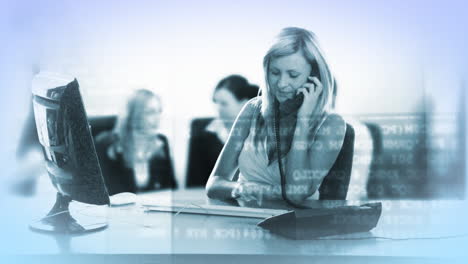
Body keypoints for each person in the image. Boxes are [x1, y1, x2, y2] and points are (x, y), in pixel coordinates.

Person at [206, 27, 348, 208]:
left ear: (314, 77)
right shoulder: (253, 109)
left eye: (293, 75)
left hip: (293, 228)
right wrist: (246, 189)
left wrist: (303, 121)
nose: (281, 84)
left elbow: (296, 195)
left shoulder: (332, 124)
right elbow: (214, 184)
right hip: (243, 220)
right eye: (274, 72)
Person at [94, 89, 177, 195]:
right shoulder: (107, 145)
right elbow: (102, 194)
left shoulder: (161, 142)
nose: (158, 118)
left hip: (153, 210)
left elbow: (172, 188)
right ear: (133, 115)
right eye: (150, 112)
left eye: (159, 111)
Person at [185, 75, 259, 187]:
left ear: (245, 103)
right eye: (216, 102)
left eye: (224, 103)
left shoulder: (259, 131)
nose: (218, 109)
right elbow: (194, 180)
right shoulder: (204, 131)